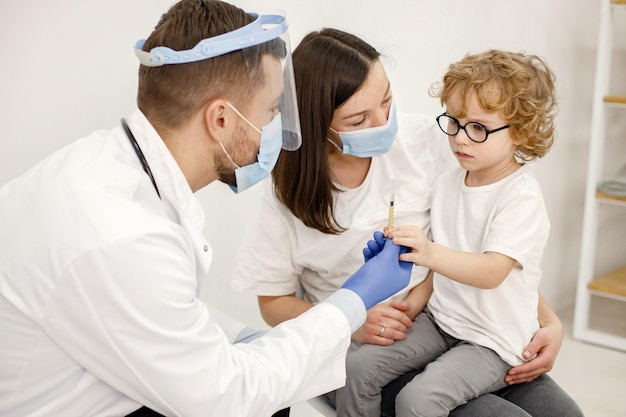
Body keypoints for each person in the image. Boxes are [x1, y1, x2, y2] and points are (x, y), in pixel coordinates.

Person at [0, 2, 413, 416]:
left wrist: (245, 339)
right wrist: (355, 298)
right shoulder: (120, 235)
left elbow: (165, 315)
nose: (275, 127)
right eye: (271, 110)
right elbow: (227, 400)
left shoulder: (105, 166)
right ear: (220, 119)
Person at [231, 29, 584, 417]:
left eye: (386, 100)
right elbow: (272, 304)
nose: (384, 122)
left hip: (454, 325)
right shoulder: (286, 194)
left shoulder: (439, 144)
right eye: (360, 118)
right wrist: (353, 320)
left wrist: (548, 322)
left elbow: (493, 251)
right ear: (318, 125)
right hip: (363, 346)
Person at [352, 49, 557, 416]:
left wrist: (428, 251)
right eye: (455, 121)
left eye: (478, 128)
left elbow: (491, 272)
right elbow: (444, 264)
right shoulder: (448, 182)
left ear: (522, 132)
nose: (461, 138)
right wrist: (410, 305)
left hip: (491, 341)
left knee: (417, 400)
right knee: (356, 369)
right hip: (442, 321)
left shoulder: (520, 196)